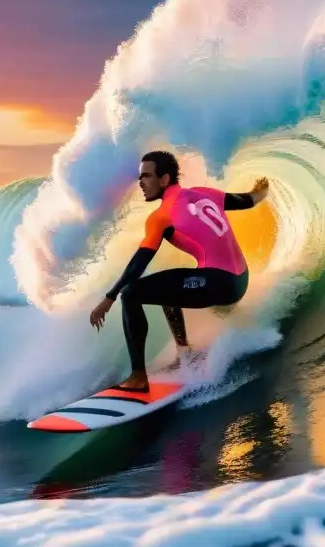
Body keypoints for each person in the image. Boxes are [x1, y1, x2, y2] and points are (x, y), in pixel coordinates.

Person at [89, 150, 270, 391]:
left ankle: (138, 377)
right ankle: (185, 352)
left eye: (146, 176)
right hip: (240, 280)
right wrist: (261, 191)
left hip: (217, 283)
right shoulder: (206, 194)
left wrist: (109, 297)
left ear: (164, 180)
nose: (141, 183)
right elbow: (247, 201)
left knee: (131, 293)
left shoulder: (161, 217)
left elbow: (139, 262)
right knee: (165, 285)